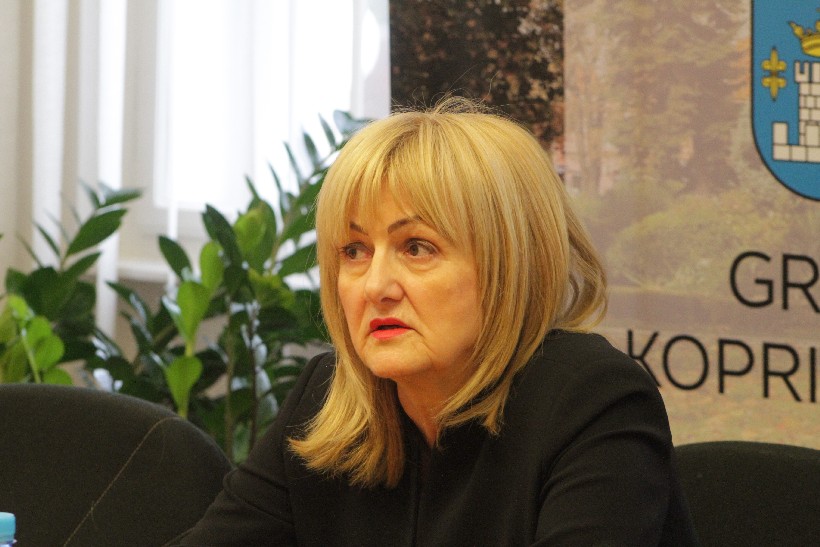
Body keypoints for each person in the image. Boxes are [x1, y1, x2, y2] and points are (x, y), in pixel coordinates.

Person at [173, 99, 699, 546]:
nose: (376, 286)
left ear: (509, 264)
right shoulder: (325, 397)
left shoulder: (592, 401)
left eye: (416, 247)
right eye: (354, 250)